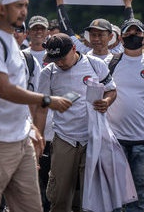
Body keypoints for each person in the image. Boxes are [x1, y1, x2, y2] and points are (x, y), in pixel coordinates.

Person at [0, 0, 72, 212]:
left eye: (25, 5)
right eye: (18, 6)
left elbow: (18, 93)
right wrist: (47, 100)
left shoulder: (14, 46)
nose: (23, 11)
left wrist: (31, 127)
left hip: (20, 139)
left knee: (31, 208)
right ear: (2, 9)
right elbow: (3, 89)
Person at [35, 33, 117, 212]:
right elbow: (41, 108)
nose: (60, 63)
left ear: (74, 49)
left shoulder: (95, 64)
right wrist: (38, 137)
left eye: (63, 58)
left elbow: (111, 90)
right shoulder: (48, 73)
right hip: (64, 138)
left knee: (91, 198)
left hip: (92, 138)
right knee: (59, 197)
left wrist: (106, 102)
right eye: (55, 60)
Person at [104, 18, 144, 212]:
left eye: (137, 33)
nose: (133, 36)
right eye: (129, 33)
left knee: (140, 192)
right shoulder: (110, 63)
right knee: (115, 193)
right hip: (115, 139)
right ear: (121, 37)